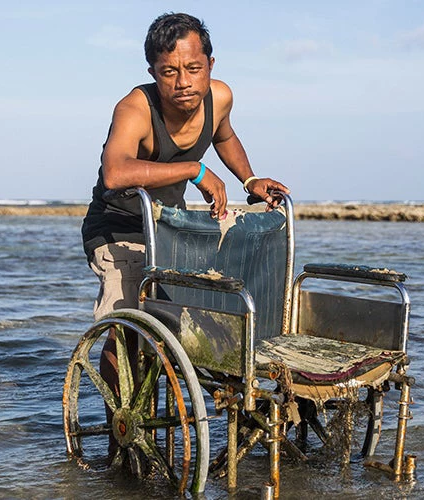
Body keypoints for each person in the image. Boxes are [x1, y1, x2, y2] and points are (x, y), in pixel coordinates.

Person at [79, 12, 288, 457]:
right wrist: (195, 169)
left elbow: (225, 136)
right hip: (119, 227)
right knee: (128, 326)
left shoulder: (220, 97)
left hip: (167, 223)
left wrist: (249, 180)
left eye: (193, 69)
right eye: (169, 72)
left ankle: (192, 394)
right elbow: (115, 173)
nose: (183, 82)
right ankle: (123, 423)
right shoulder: (135, 108)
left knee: (188, 314)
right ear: (153, 71)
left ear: (210, 64)